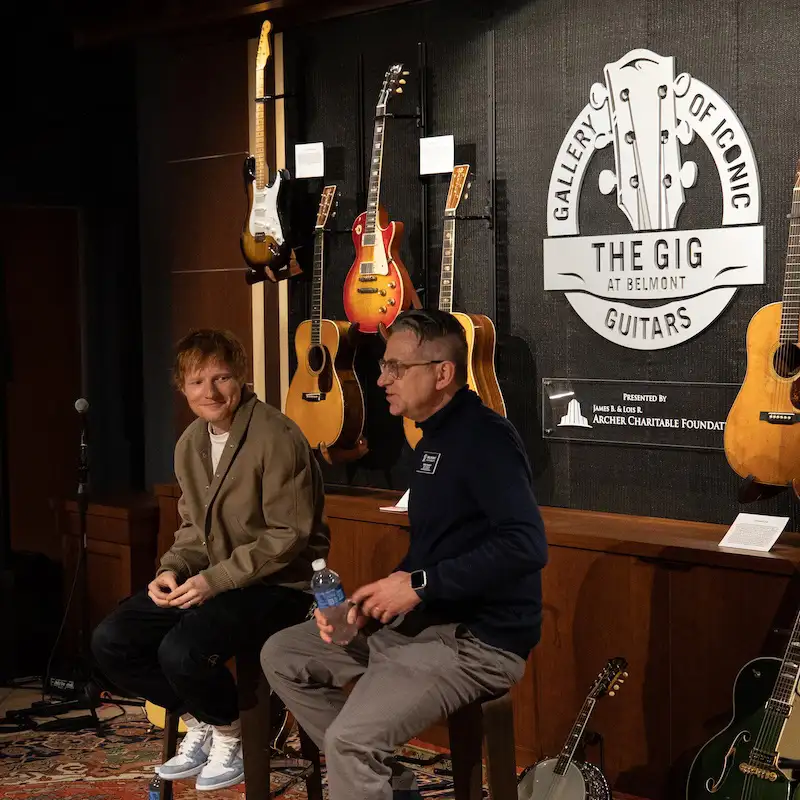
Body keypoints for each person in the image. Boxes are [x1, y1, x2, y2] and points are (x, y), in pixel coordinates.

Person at [261, 308, 547, 800]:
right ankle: (391, 787)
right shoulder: (431, 437)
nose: (381, 378)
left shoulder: (486, 438)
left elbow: (526, 545)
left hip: (478, 640)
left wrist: (417, 586)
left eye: (397, 368)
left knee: (350, 743)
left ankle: (364, 766)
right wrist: (367, 611)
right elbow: (435, 551)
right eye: (384, 366)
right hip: (425, 624)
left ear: (442, 373)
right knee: (284, 654)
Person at [91, 328, 329, 792]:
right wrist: (171, 569)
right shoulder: (189, 443)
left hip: (279, 586)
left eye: (221, 378)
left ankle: (230, 731)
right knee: (112, 640)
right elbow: (192, 531)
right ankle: (201, 717)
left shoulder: (278, 436)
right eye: (197, 382)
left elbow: (288, 537)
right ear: (182, 388)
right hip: (216, 581)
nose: (210, 392)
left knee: (181, 651)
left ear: (241, 378)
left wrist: (213, 581)